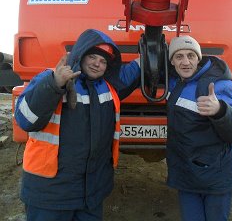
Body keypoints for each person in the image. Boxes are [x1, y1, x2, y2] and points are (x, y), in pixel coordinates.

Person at [15, 29, 140, 221]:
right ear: (80, 55)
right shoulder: (49, 78)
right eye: (92, 57)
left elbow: (130, 72)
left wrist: (150, 54)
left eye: (103, 61)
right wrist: (55, 84)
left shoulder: (107, 87)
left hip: (91, 194)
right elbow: (25, 120)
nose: (97, 64)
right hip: (50, 195)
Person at [166, 35, 232, 221]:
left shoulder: (220, 85)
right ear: (171, 61)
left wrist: (221, 110)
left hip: (215, 178)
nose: (185, 62)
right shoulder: (176, 82)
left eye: (191, 55)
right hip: (187, 176)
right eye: (179, 56)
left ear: (199, 58)